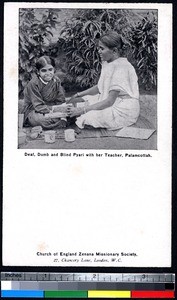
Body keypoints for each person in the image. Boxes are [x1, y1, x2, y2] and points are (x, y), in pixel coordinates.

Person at [67, 31, 140, 131]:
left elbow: (109, 101)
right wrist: (78, 94)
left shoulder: (121, 68)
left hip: (123, 108)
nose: (99, 51)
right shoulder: (108, 63)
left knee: (86, 117)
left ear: (114, 51)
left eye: (102, 48)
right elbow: (100, 87)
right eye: (99, 48)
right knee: (78, 101)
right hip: (112, 101)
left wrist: (82, 110)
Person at [23, 56, 67, 129]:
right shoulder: (33, 84)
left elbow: (61, 100)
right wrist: (55, 111)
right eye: (44, 70)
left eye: (50, 70)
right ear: (38, 72)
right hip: (35, 110)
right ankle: (59, 122)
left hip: (53, 108)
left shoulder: (56, 81)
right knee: (39, 120)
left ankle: (60, 121)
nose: (48, 73)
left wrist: (63, 116)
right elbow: (38, 106)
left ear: (54, 69)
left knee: (73, 110)